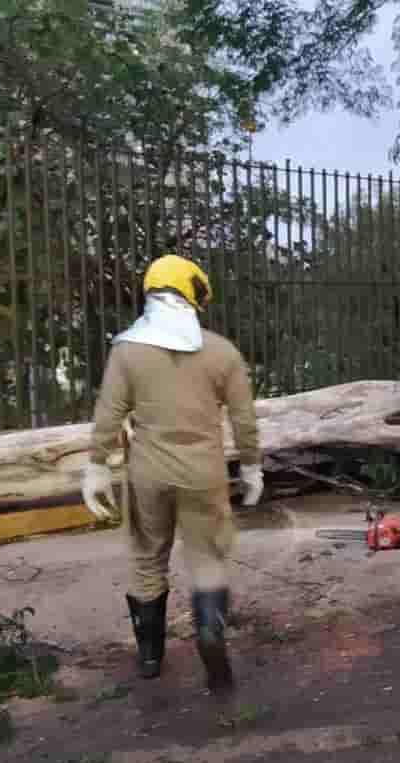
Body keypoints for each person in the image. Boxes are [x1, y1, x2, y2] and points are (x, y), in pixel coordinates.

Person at [82, 254, 262, 694]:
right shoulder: (222, 352)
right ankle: (210, 634)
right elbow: (244, 420)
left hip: (147, 473)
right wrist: (253, 466)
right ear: (191, 293)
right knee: (206, 558)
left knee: (147, 558)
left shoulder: (127, 351)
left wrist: (96, 467)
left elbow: (109, 412)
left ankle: (148, 659)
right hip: (204, 473)